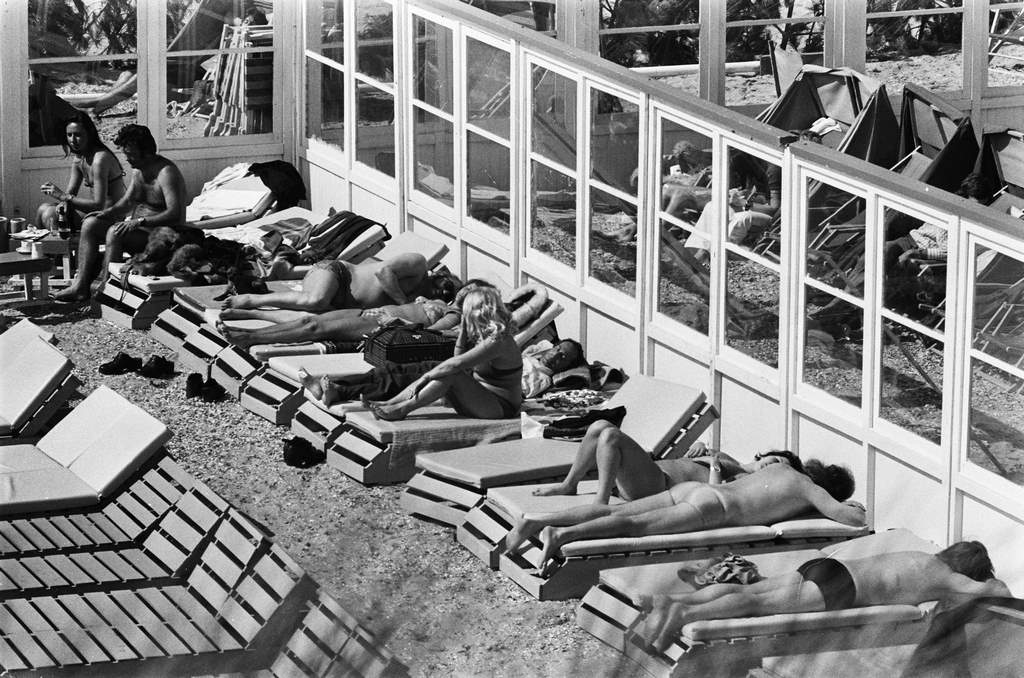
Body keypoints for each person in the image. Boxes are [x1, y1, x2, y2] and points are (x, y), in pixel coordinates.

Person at [631, 541, 1011, 652]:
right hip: (841, 590)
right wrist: (990, 584)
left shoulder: (918, 555)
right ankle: (679, 612)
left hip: (825, 568)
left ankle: (675, 601)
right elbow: (995, 592)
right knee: (755, 605)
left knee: (752, 592)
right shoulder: (947, 577)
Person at [505, 457, 864, 574]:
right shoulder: (807, 489)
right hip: (713, 509)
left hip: (698, 490)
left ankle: (537, 520)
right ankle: (562, 536)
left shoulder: (779, 468)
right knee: (633, 526)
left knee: (616, 509)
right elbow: (849, 520)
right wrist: (851, 508)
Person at [53, 124, 187, 302]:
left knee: (115, 232)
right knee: (91, 224)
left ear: (146, 152)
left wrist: (139, 222)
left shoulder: (166, 172)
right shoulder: (139, 169)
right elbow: (128, 202)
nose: (127, 159)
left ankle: (107, 291)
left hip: (164, 238)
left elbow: (175, 214)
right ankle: (80, 286)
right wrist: (106, 213)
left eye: (131, 154)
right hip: (141, 232)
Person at [365, 286, 524, 420]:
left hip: (502, 407)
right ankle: (391, 403)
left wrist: (427, 376)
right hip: (481, 402)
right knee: (445, 370)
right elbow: (457, 359)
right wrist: (463, 333)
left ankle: (402, 409)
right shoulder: (482, 337)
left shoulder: (498, 340)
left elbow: (457, 364)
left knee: (450, 372)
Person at [533, 428, 800, 505]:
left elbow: (716, 498)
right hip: (653, 471)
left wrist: (715, 469)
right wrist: (698, 451)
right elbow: (687, 463)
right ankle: (569, 485)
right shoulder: (731, 458)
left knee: (611, 437)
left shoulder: (746, 482)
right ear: (767, 454)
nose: (771, 466)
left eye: (778, 468)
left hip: (658, 488)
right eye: (775, 460)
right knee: (598, 427)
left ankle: (600, 502)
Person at [222, 254, 457, 313]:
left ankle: (291, 271)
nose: (437, 295)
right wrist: (403, 302)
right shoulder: (418, 265)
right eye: (441, 289)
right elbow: (383, 272)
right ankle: (252, 299)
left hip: (340, 302)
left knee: (321, 308)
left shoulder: (424, 303)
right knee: (316, 300)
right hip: (338, 273)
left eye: (442, 297)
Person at [37, 111, 127, 234]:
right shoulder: (79, 159)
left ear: (89, 134)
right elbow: (70, 194)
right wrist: (63, 204)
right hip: (95, 214)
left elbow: (98, 205)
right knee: (43, 209)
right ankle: (41, 249)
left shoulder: (100, 159)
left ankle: (58, 251)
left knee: (50, 214)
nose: (72, 140)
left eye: (78, 135)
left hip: (111, 217)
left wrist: (62, 196)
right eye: (69, 135)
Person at [521, 338, 586, 398]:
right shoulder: (530, 354)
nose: (554, 355)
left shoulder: (542, 380)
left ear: (565, 367)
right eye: (557, 349)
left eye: (562, 357)